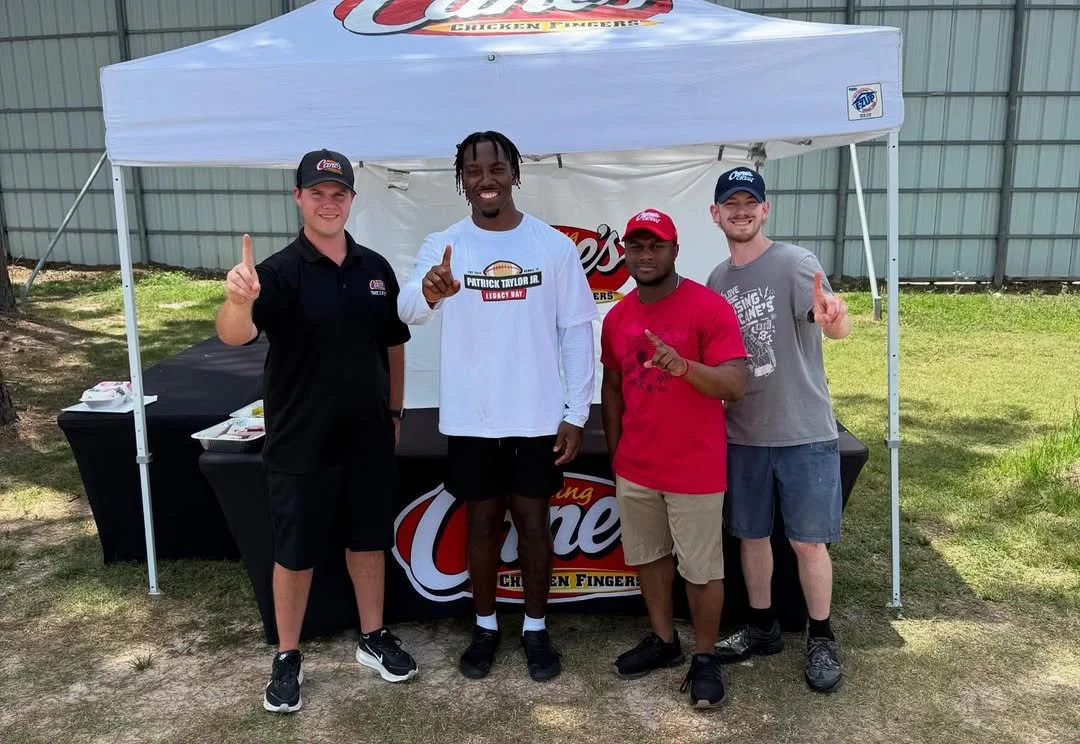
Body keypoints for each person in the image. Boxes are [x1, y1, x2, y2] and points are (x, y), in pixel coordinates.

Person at [216, 149, 419, 714]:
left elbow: (393, 345)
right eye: (317, 193)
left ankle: (373, 638)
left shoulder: (375, 268)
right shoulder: (276, 273)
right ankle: (287, 655)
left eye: (339, 194)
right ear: (299, 198)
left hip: (368, 437)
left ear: (352, 199)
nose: (328, 203)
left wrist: (395, 414)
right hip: (300, 438)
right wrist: (237, 298)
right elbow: (234, 335)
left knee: (368, 542)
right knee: (296, 553)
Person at [397, 131, 597, 682]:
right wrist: (433, 290)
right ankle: (484, 626)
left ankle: (535, 629)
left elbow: (578, 332)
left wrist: (575, 412)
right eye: (473, 170)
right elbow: (408, 308)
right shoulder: (444, 244)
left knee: (535, 525)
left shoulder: (552, 246)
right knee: (481, 525)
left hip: (535, 416)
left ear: (515, 173)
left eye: (496, 167)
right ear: (460, 180)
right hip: (472, 417)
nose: (486, 179)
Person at [705, 167, 851, 694]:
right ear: (715, 213)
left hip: (803, 431)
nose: (741, 211)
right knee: (750, 536)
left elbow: (834, 323)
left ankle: (821, 636)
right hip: (742, 433)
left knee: (808, 543)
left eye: (751, 202)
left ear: (765, 209)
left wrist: (834, 317)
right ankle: (763, 627)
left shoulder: (794, 264)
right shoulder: (718, 280)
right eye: (731, 204)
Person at [599, 209, 748, 708]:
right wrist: (618, 448)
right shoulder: (618, 316)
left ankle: (704, 657)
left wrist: (685, 367)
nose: (645, 255)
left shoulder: (708, 308)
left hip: (695, 468)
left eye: (655, 245)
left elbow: (736, 384)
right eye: (636, 246)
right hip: (637, 467)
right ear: (625, 253)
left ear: (675, 251)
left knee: (701, 571)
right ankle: (664, 641)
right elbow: (614, 385)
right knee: (649, 559)